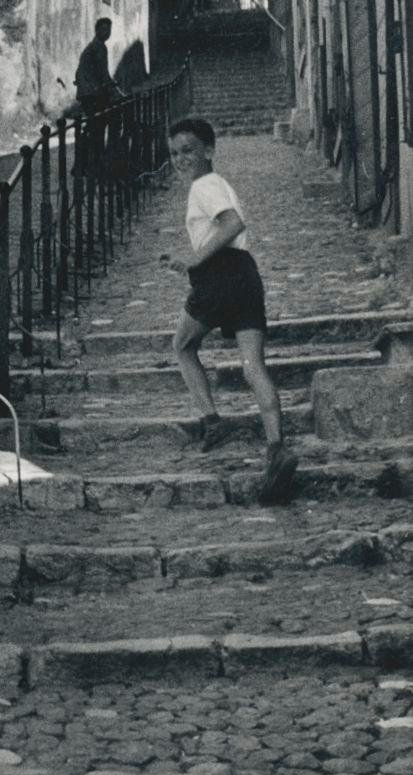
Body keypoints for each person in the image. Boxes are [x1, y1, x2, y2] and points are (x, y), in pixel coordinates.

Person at [165, 118, 298, 504]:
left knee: (182, 345)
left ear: (208, 150)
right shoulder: (219, 184)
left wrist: (194, 261)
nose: (180, 159)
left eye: (188, 151)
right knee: (253, 365)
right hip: (245, 274)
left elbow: (233, 223)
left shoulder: (204, 186)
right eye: (174, 153)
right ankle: (276, 447)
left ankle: (212, 421)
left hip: (219, 275)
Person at [74, 17, 125, 177]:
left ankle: (84, 165)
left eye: (108, 30)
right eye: (103, 29)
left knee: (93, 127)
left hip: (88, 93)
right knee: (100, 127)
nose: (107, 32)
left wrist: (110, 85)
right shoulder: (99, 47)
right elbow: (103, 74)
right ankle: (96, 165)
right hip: (92, 94)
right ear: (97, 31)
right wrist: (115, 91)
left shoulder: (94, 46)